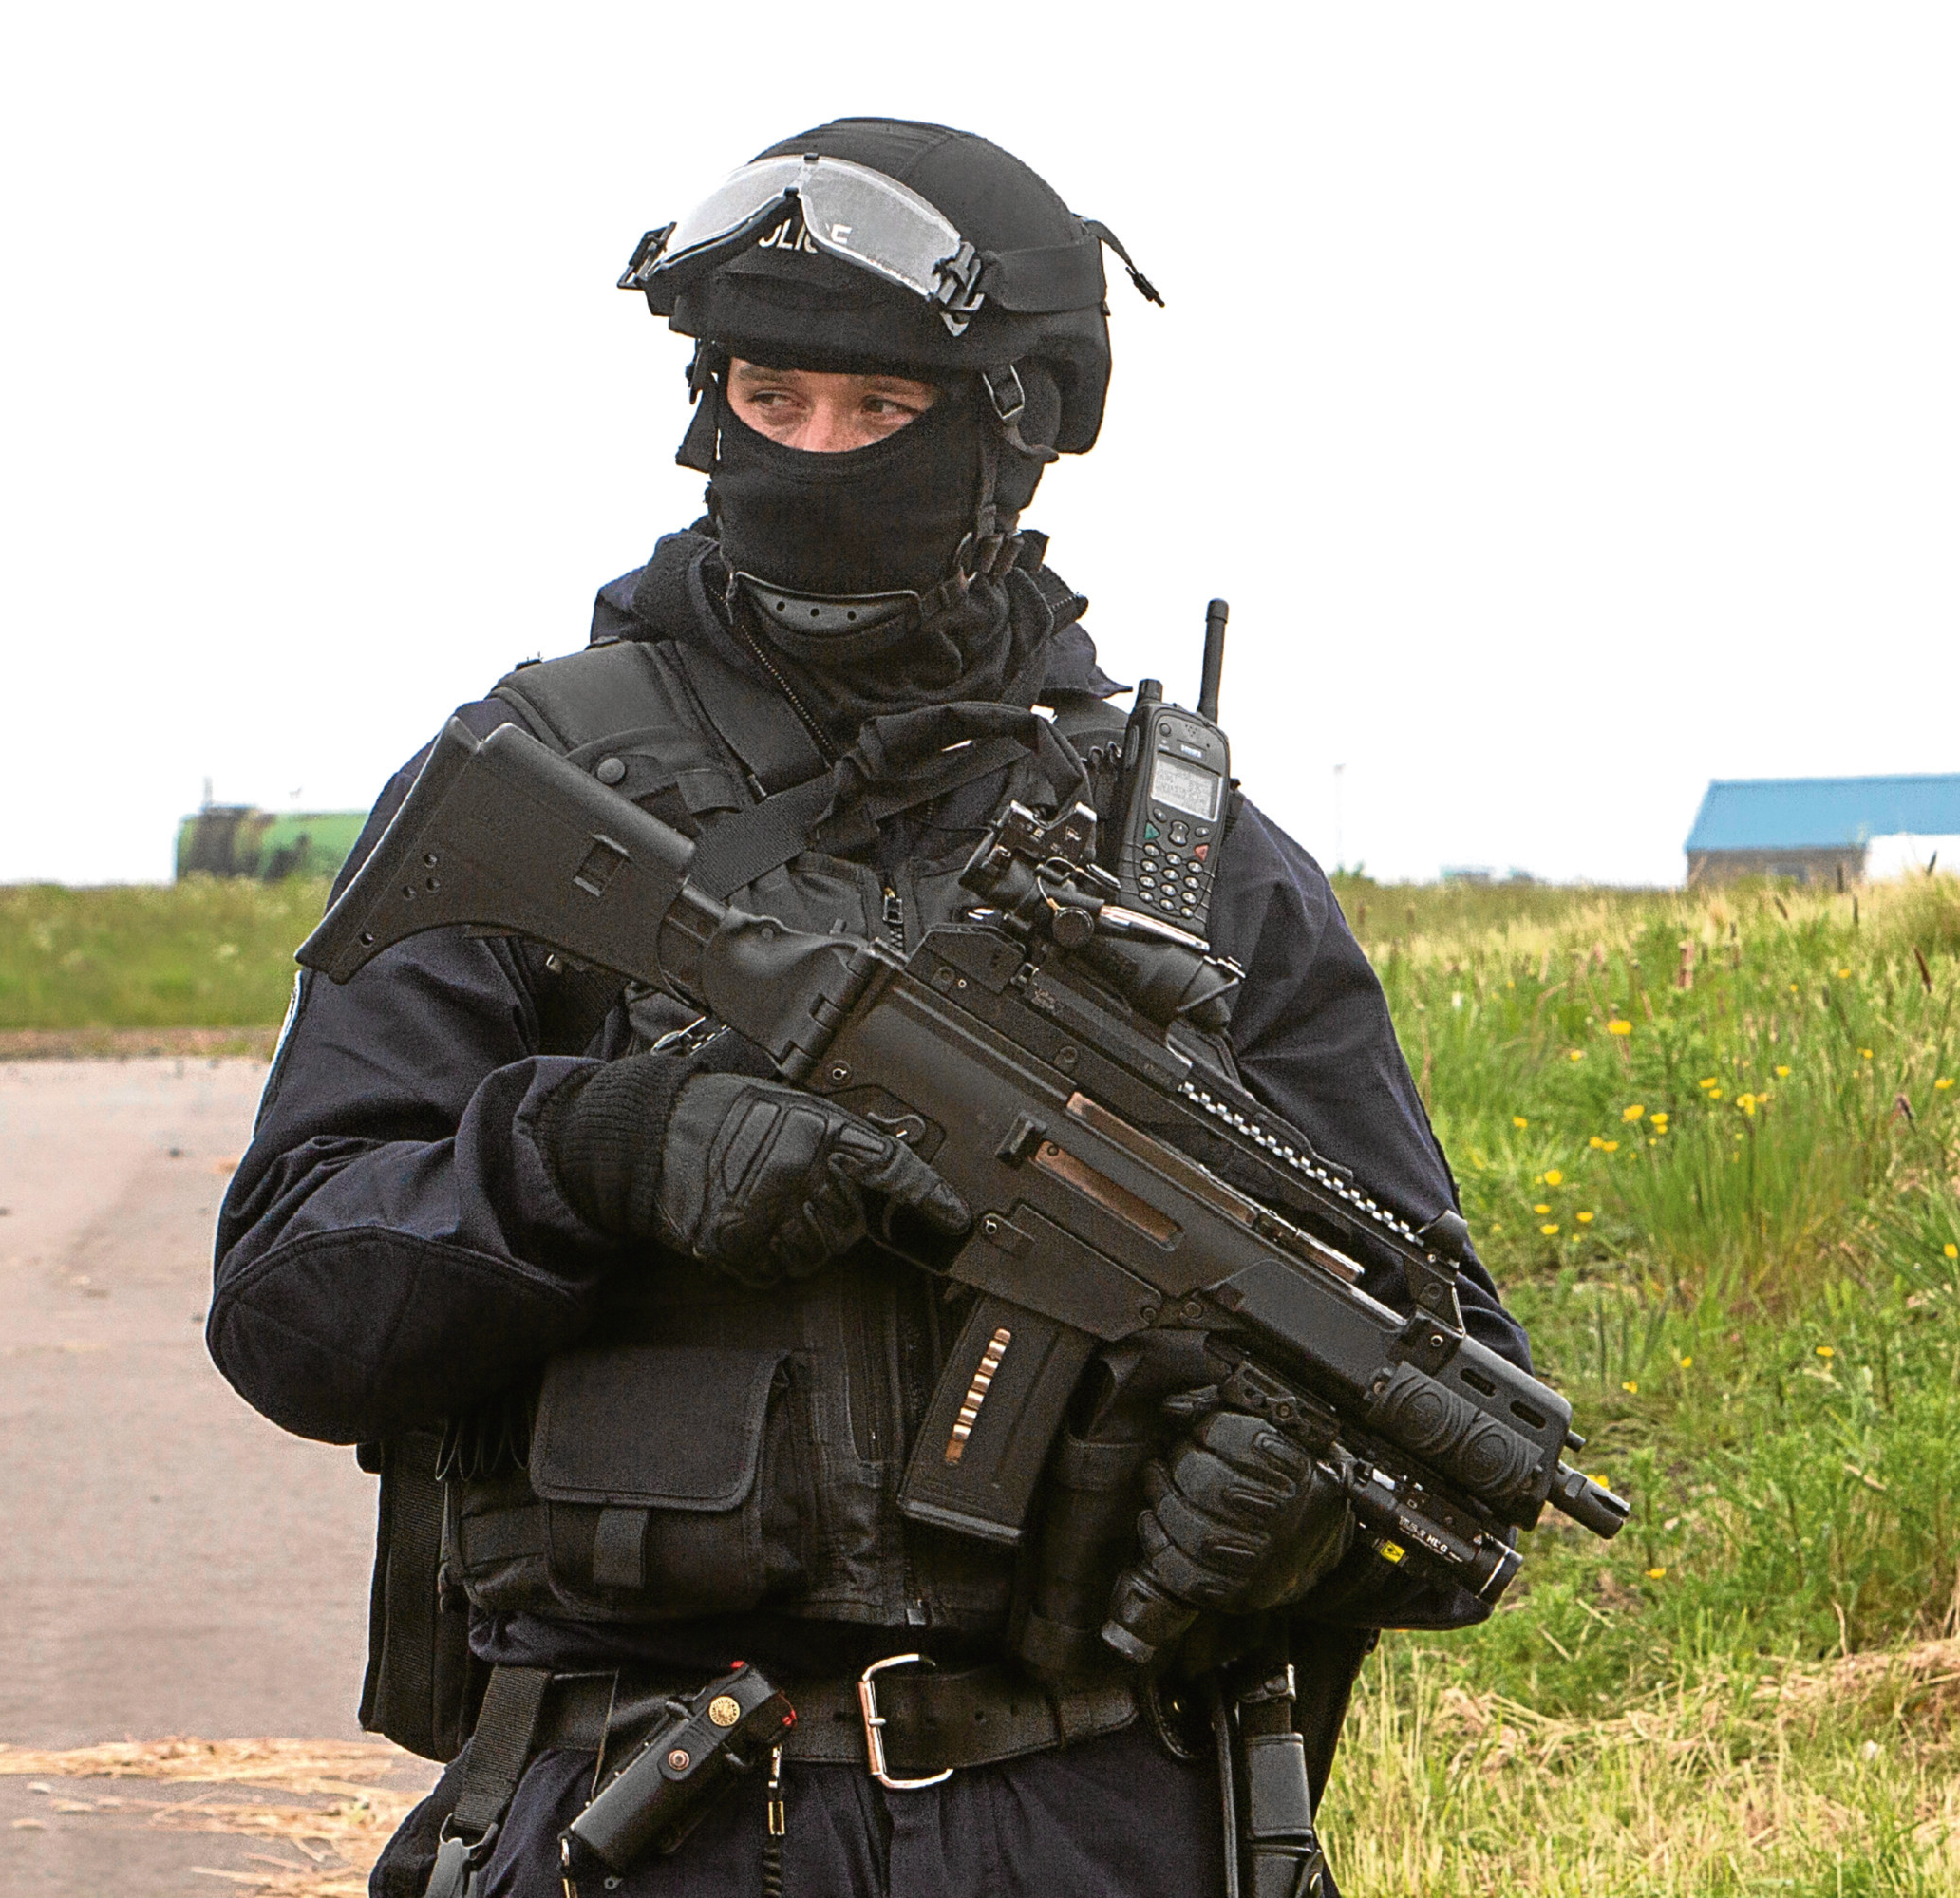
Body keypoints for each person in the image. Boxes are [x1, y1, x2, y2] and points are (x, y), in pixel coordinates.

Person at [210, 117, 1535, 1898]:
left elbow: (1450, 1397)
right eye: (773, 395)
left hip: (1087, 1819)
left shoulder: (1195, 867)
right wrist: (585, 1158)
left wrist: (1305, 1517)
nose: (814, 452)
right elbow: (292, 1301)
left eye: (880, 411)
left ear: (1017, 432)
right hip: (645, 1806)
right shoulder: (544, 787)